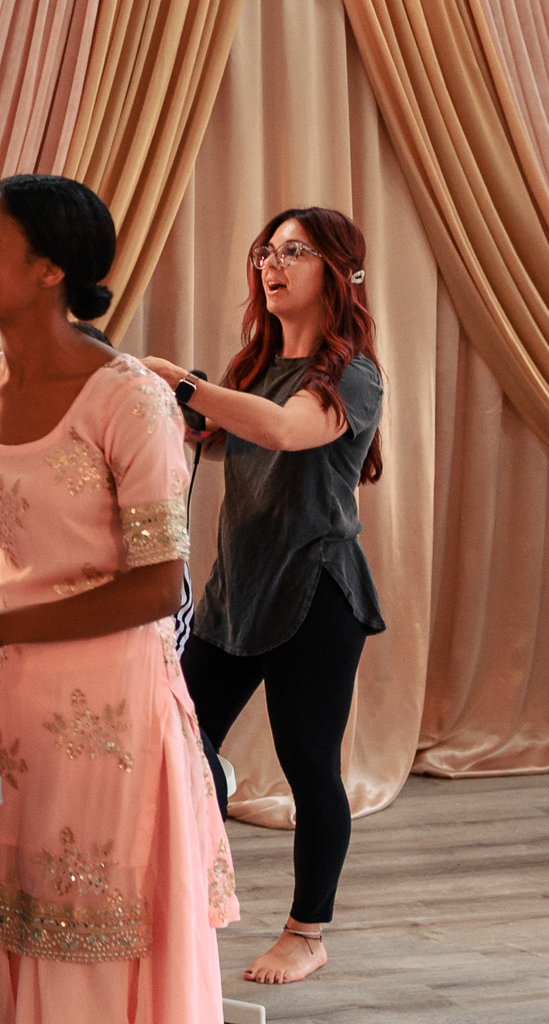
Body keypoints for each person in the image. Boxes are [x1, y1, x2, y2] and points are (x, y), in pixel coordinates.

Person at [0, 173, 235, 1022]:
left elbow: (157, 583)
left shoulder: (132, 401)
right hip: (2, 706)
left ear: (51, 269)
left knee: (84, 923)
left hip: (106, 716)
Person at [143, 206, 384, 985]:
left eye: (294, 251)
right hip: (235, 591)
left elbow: (285, 430)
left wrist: (186, 383)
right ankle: (181, 891)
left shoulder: (351, 375)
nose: (271, 264)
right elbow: (208, 432)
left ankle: (308, 931)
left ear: (336, 271)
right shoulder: (250, 367)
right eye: (266, 252)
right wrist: (168, 400)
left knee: (309, 764)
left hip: (315, 593)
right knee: (177, 745)